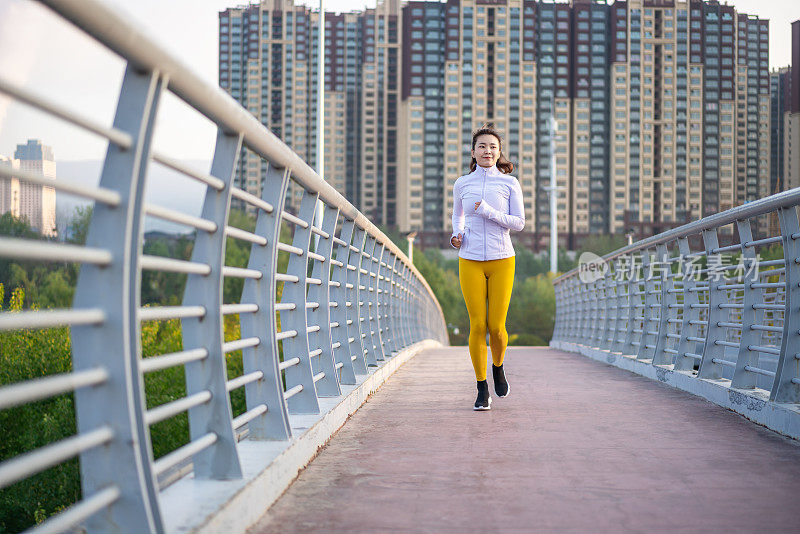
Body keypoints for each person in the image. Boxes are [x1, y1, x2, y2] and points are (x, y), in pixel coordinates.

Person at [451, 124, 525, 410]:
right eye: (482, 146)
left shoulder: (509, 184)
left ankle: (498, 366)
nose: (487, 151)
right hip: (469, 259)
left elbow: (518, 223)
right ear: (473, 152)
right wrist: (455, 236)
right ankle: (482, 387)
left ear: (499, 152)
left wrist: (487, 211)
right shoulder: (462, 183)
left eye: (493, 147)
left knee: (496, 327)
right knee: (477, 325)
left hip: (502, 258)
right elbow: (457, 216)